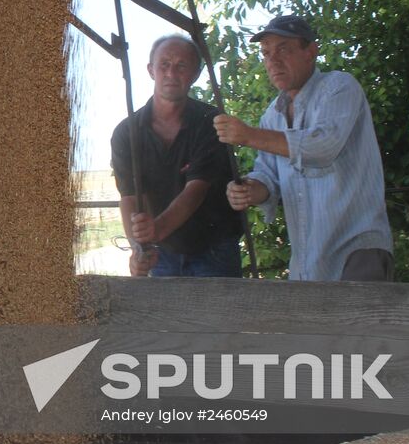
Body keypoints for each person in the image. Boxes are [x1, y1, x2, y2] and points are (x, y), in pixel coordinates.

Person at [213, 14, 394, 281]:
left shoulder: (340, 87)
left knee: (356, 323)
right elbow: (269, 179)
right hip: (308, 264)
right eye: (266, 53)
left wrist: (248, 136)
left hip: (357, 252)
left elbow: (322, 146)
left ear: (311, 51)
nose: (273, 60)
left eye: (283, 49)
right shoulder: (271, 116)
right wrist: (251, 190)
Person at [111, 34, 242, 278]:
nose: (171, 73)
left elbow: (196, 189)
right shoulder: (125, 133)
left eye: (182, 66)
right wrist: (140, 249)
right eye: (164, 64)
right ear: (151, 70)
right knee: (165, 317)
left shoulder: (211, 122)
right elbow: (129, 196)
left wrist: (155, 232)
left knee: (220, 317)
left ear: (195, 74)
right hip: (163, 254)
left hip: (214, 250)